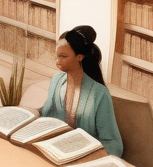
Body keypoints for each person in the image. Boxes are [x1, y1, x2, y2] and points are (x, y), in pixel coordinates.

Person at [40, 25, 123, 156]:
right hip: (53, 150)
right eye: (56, 55)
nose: (57, 61)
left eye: (63, 56)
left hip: (84, 155)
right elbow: (46, 114)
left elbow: (112, 142)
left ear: (79, 57)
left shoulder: (99, 93)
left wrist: (91, 159)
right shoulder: (56, 80)